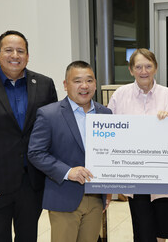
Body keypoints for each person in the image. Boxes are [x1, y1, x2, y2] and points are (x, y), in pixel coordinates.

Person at [0, 30, 58, 242]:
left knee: (28, 237)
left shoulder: (44, 85)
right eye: (8, 50)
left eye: (20, 51)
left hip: (32, 182)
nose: (15, 55)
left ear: (28, 56)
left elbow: (53, 131)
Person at [27, 61, 112, 242]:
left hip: (96, 198)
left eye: (89, 80)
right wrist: (67, 171)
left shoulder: (106, 114)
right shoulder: (49, 114)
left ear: (95, 84)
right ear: (65, 85)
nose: (84, 86)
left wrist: (109, 188)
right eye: (77, 81)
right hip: (63, 196)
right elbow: (35, 153)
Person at [107, 48, 168, 242]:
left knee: (161, 232)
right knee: (142, 230)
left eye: (148, 66)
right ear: (131, 70)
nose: (144, 71)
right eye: (138, 66)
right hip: (135, 174)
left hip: (162, 175)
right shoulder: (120, 96)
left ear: (155, 67)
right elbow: (109, 132)